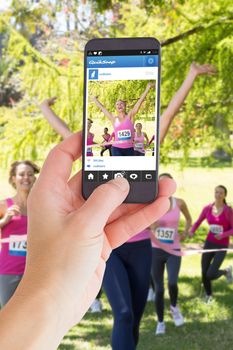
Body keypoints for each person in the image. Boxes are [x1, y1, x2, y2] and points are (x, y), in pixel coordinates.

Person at [0, 132, 175, 349]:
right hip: (101, 247)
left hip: (136, 244)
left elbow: (163, 124)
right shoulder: (100, 156)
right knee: (124, 313)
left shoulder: (140, 148)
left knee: (134, 317)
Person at [102, 62, 216, 350]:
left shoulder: (144, 164)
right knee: (124, 314)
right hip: (109, 248)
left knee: (135, 318)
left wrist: (190, 75)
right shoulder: (101, 169)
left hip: (142, 247)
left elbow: (167, 116)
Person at [150, 173, 192, 335]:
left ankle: (174, 308)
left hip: (173, 250)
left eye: (168, 183)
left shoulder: (179, 203)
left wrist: (185, 232)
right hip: (155, 250)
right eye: (161, 184)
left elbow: (189, 219)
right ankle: (160, 322)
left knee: (172, 283)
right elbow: (147, 226)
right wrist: (153, 225)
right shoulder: (152, 204)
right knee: (159, 289)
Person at [0, 161, 39, 307]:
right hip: (9, 270)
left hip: (34, 271)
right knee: (9, 315)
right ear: (13, 178)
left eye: (30, 174)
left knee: (32, 317)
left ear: (34, 178)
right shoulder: (4, 205)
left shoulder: (40, 207)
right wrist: (5, 220)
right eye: (21, 174)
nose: (26, 178)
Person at [190, 185, 233, 303]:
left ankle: (226, 271)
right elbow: (198, 221)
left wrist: (223, 235)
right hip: (209, 244)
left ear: (225, 195)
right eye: (216, 192)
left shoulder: (228, 210)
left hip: (222, 245)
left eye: (221, 193)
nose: (218, 195)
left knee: (211, 274)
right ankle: (209, 296)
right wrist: (192, 231)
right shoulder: (208, 208)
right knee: (204, 272)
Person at [91, 82, 155, 156]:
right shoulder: (113, 119)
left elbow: (139, 102)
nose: (119, 105)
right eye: (117, 104)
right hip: (116, 148)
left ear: (125, 106)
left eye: (121, 103)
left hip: (130, 149)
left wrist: (147, 88)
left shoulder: (130, 116)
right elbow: (103, 108)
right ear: (116, 107)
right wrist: (95, 100)